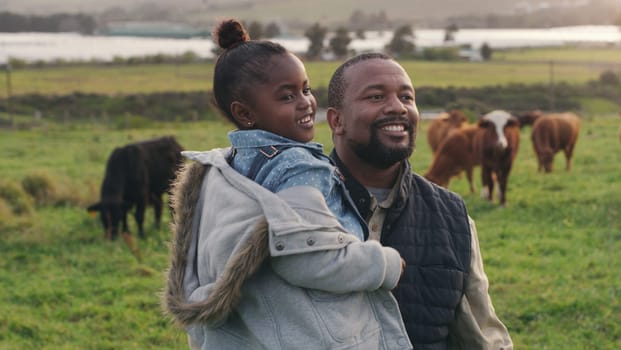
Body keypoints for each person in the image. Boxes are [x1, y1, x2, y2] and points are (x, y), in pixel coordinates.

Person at [163, 20, 412, 349]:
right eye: (287, 96)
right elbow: (308, 258)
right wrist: (385, 264)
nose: (306, 103)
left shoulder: (224, 168)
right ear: (245, 113)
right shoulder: (298, 168)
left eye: (306, 89)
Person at [326, 52, 514, 349]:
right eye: (376, 97)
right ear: (337, 120)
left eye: (407, 97)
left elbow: (482, 335)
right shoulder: (297, 207)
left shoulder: (453, 218)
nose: (398, 108)